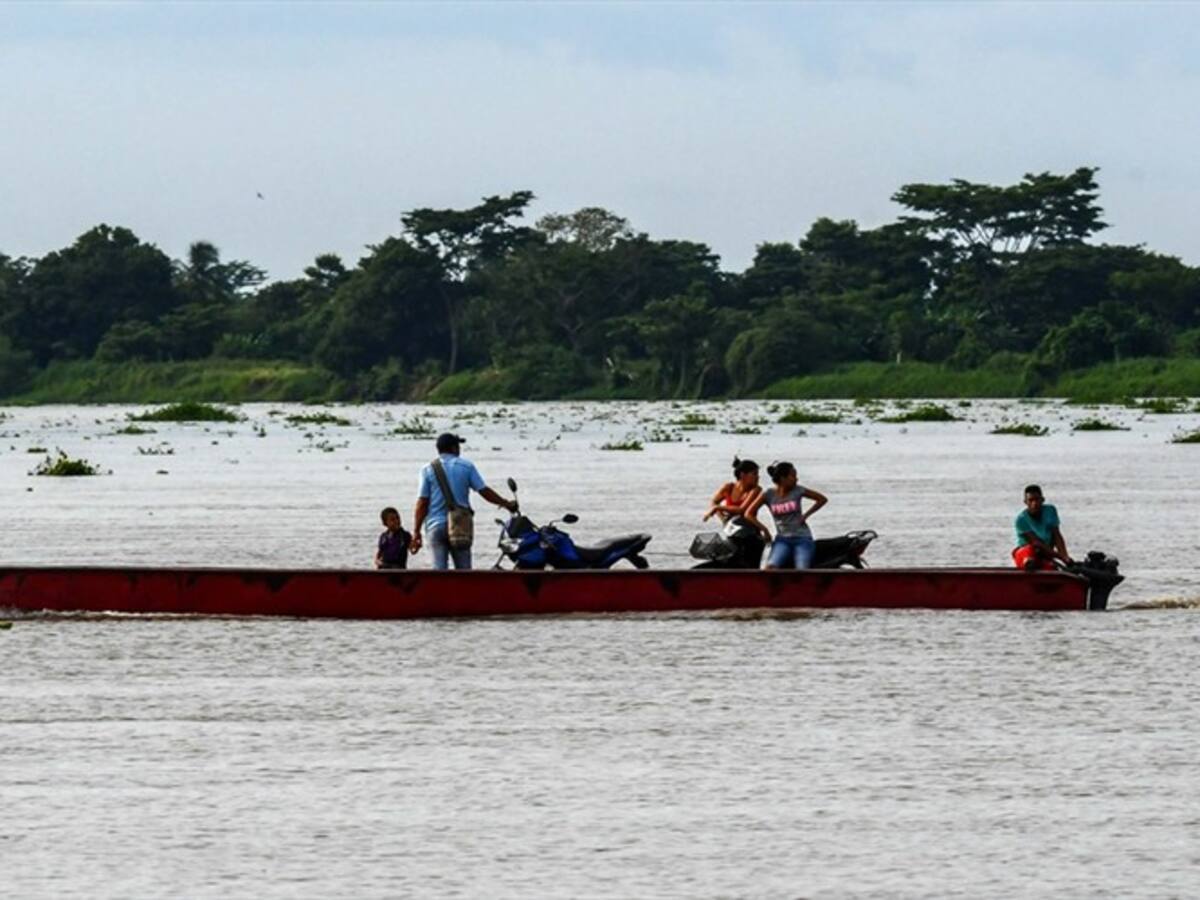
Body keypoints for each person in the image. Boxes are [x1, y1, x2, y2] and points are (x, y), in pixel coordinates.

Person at [410, 433, 517, 570]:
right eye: (458, 446)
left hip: (435, 525)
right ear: (454, 448)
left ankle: (440, 591)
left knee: (438, 570)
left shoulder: (427, 469)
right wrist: (506, 503)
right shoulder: (466, 466)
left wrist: (416, 531)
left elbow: (422, 503)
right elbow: (484, 491)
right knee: (464, 570)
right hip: (460, 526)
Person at [747, 461, 828, 570]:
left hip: (802, 538)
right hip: (782, 540)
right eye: (793, 476)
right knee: (770, 567)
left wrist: (806, 515)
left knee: (802, 568)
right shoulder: (768, 494)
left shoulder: (798, 490)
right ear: (782, 478)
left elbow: (822, 499)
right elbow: (749, 514)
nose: (796, 479)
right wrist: (764, 530)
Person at [702, 457, 766, 568]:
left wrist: (717, 508)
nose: (757, 477)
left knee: (751, 568)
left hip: (752, 537)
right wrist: (723, 519)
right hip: (734, 535)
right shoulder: (728, 487)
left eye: (757, 474)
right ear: (742, 475)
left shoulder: (756, 490)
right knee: (730, 563)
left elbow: (742, 510)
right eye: (754, 474)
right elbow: (714, 501)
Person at [1013, 484, 1071, 570]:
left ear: (1042, 500)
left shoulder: (1050, 511)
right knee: (1030, 556)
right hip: (1026, 553)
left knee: (1051, 568)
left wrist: (1066, 557)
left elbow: (1057, 536)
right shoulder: (1021, 520)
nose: (1034, 503)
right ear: (1025, 502)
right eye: (1031, 500)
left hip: (1044, 554)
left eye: (1037, 499)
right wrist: (1061, 557)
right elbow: (1037, 543)